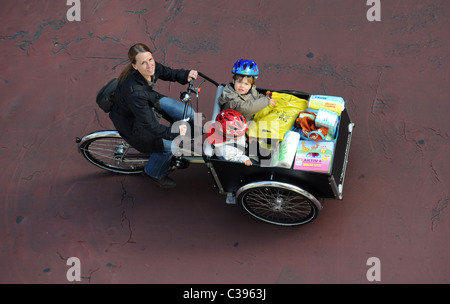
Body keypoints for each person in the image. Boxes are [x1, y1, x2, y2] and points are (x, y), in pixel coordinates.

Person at [109, 43, 198, 188]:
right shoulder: (134, 92)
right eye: (143, 63)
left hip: (146, 101)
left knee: (188, 113)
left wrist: (185, 75)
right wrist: (172, 133)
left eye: (150, 59)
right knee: (171, 147)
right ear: (134, 66)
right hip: (133, 122)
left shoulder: (151, 68)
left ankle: (185, 140)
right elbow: (149, 125)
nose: (150, 65)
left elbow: (167, 72)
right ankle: (154, 172)